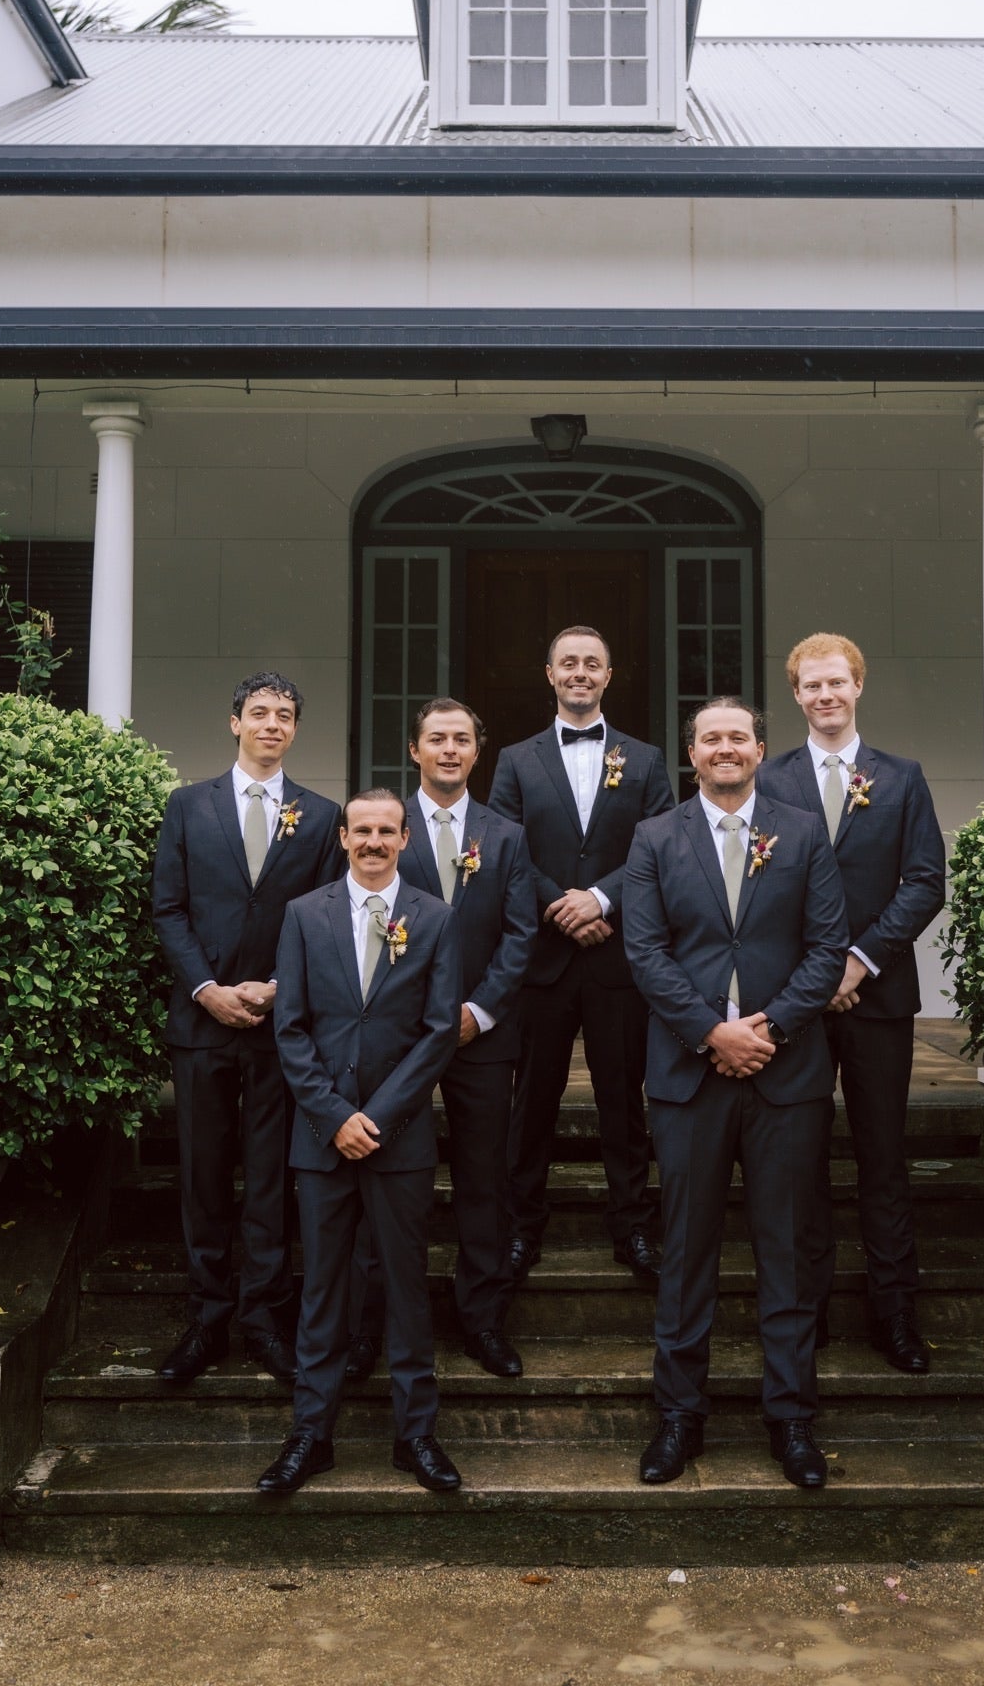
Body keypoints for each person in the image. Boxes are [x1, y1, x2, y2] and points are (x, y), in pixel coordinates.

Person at [623, 697, 848, 1490]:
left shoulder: (803, 830)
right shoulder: (654, 838)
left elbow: (826, 947)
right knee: (684, 1253)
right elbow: (644, 952)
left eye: (737, 738)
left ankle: (790, 1420)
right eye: (710, 738)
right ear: (692, 753)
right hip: (689, 1076)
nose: (725, 749)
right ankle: (679, 1416)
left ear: (760, 749)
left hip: (783, 1077)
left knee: (784, 1251)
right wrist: (709, 1033)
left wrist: (768, 1030)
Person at [256, 790, 463, 1495]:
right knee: (321, 1291)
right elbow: (290, 1028)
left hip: (397, 1140)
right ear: (342, 837)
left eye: (386, 831)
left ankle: (416, 1437)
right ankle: (311, 1437)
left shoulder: (435, 918)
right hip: (321, 1139)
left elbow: (439, 1030)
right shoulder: (304, 915)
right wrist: (333, 1116)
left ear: (406, 838)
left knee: (406, 1288)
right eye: (361, 830)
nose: (373, 841)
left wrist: (377, 1117)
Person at [758, 634, 947, 1375]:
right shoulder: (769, 782)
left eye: (835, 682)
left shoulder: (900, 779)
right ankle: (804, 1314)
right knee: (796, 1163)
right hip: (798, 1002)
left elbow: (924, 881)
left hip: (877, 998)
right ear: (796, 695)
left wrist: (860, 959)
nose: (824, 695)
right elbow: (762, 893)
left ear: (857, 686)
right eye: (810, 686)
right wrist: (814, 974)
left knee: (881, 1157)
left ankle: (894, 1314)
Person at [151, 671, 343, 1385]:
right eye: (259, 712)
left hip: (276, 1026)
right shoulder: (187, 806)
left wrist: (276, 989)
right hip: (202, 1023)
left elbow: (325, 918)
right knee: (203, 1175)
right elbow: (168, 908)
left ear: (295, 729)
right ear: (234, 723)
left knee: (269, 1179)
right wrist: (206, 989)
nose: (272, 723)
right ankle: (206, 1318)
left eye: (285, 714)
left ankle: (263, 1316)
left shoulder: (321, 818)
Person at [345, 698, 538, 1383]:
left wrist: (478, 1010)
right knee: (386, 1182)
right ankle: (371, 1322)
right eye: (437, 739)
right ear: (414, 750)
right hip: (396, 1040)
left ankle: (481, 1318)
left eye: (461, 739)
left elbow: (521, 934)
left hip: (480, 1037)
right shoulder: (383, 827)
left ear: (476, 752)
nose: (449, 749)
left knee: (484, 1180)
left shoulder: (505, 835)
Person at [488, 624, 674, 1283]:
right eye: (567, 663)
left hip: (617, 957)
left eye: (591, 664)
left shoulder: (645, 761)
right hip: (542, 958)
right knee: (530, 1102)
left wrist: (599, 899)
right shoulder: (514, 759)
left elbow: (662, 845)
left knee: (624, 1102)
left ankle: (632, 1229)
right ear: (548, 673)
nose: (579, 673)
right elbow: (505, 846)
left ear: (608, 676)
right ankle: (520, 1230)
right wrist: (561, 907)